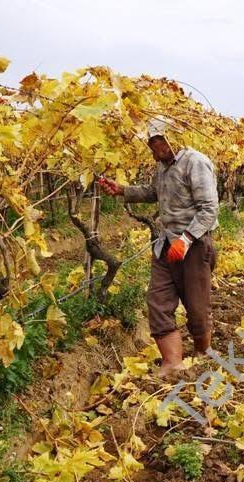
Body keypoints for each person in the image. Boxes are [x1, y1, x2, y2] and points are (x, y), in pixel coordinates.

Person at [97, 123, 219, 376]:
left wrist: (185, 240)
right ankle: (172, 363)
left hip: (194, 245)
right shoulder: (162, 166)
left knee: (196, 306)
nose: (154, 148)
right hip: (166, 244)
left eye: (158, 142)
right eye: (150, 143)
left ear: (171, 138)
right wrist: (122, 190)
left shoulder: (195, 162)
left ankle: (202, 355)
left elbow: (209, 209)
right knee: (158, 301)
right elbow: (154, 192)